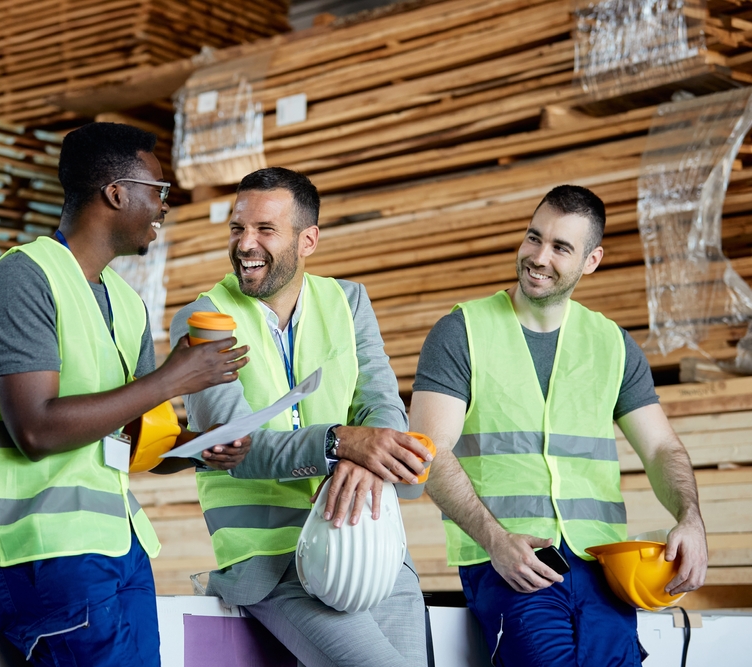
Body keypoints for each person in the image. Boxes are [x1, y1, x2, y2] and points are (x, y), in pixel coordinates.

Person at [0, 122, 252, 667]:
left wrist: (198, 448)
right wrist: (173, 378)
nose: (166, 206)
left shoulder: (126, 301)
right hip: (45, 554)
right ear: (116, 194)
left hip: (120, 548)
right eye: (158, 191)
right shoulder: (21, 281)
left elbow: (131, 441)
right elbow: (37, 430)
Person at [409, 185, 708, 666]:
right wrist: (495, 542)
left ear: (591, 260)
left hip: (601, 568)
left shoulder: (612, 344)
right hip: (509, 562)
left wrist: (691, 518)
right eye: (534, 238)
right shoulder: (462, 332)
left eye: (560, 247)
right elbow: (430, 450)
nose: (538, 257)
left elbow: (660, 449)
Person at [170, 167, 434, 667]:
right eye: (237, 228)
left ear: (307, 239)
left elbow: (383, 409)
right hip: (271, 562)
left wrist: (360, 455)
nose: (246, 244)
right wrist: (340, 444)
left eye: (265, 230)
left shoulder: (348, 302)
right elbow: (235, 447)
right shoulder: (203, 319)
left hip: (368, 546)